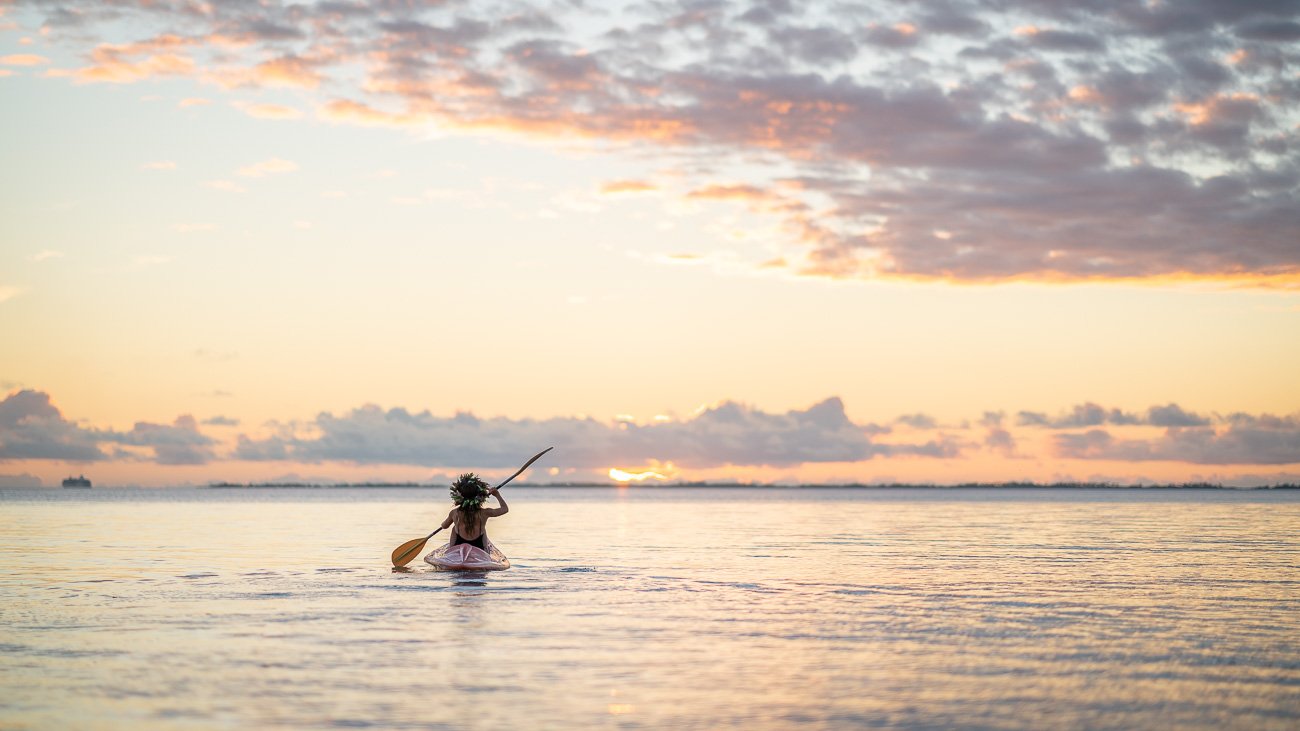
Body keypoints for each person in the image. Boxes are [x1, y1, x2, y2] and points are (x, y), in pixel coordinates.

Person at [440, 473, 508, 550]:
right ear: (480, 496)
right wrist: (497, 495)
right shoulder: (484, 513)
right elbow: (504, 509)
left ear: (458, 497)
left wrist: (442, 524)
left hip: (458, 543)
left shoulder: (454, 513)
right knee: (483, 528)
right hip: (479, 545)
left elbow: (444, 526)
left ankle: (451, 550)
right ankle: (485, 550)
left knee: (454, 528)